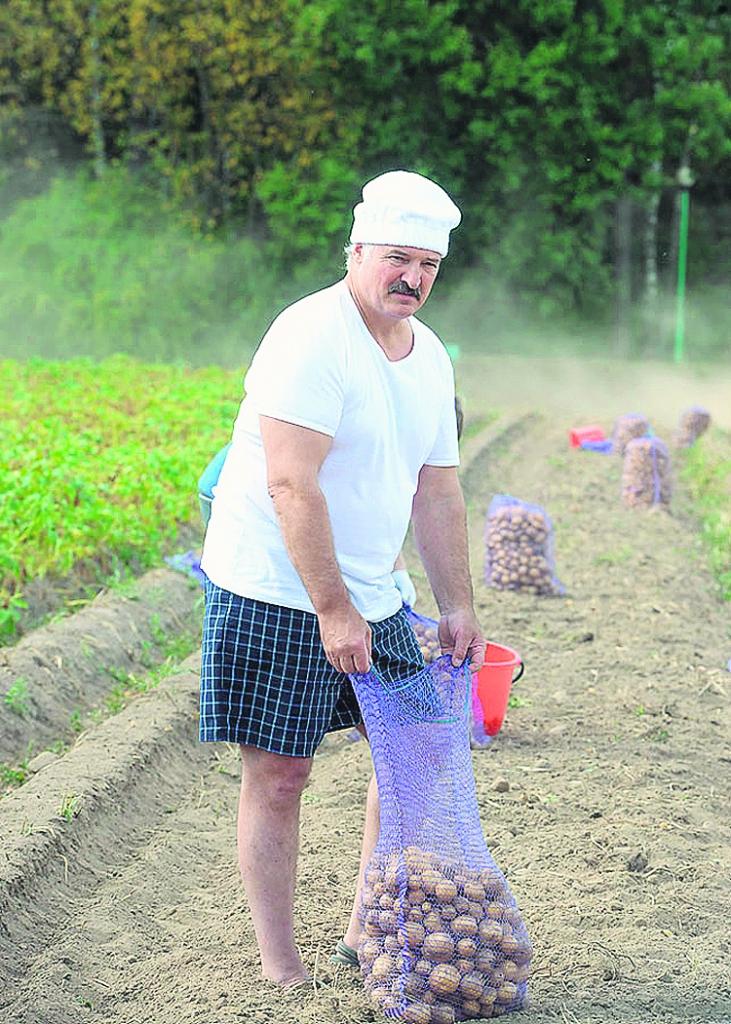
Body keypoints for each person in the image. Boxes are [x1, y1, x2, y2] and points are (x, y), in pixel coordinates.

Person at [199, 169, 486, 987]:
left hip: (371, 585)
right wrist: (332, 610)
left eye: (428, 265)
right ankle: (280, 967)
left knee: (418, 753)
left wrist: (457, 602)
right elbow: (293, 484)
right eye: (398, 258)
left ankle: (365, 928)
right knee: (281, 772)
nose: (414, 278)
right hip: (274, 584)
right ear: (356, 251)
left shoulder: (428, 357)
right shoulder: (308, 338)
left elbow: (437, 486)